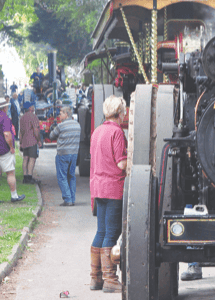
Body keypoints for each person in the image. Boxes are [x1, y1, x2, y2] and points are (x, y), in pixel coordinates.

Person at [89, 95, 127, 293]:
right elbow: (121, 163)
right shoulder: (117, 132)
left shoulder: (97, 131)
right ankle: (110, 279)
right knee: (112, 233)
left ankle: (95, 279)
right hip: (113, 188)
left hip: (98, 188)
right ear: (119, 112)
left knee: (101, 232)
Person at [49, 105, 81, 206]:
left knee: (62, 176)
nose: (59, 115)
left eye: (61, 113)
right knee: (71, 176)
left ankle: (68, 199)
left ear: (66, 114)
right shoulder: (77, 125)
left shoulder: (61, 126)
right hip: (74, 154)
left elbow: (51, 136)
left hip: (63, 154)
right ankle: (72, 198)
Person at [19, 102, 42, 184]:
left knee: (25, 159)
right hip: (32, 141)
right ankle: (29, 177)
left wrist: (20, 142)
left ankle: (25, 178)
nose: (33, 107)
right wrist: (39, 140)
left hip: (24, 141)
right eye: (32, 106)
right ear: (30, 108)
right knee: (32, 159)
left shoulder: (22, 118)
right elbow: (36, 130)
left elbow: (20, 131)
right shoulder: (34, 117)